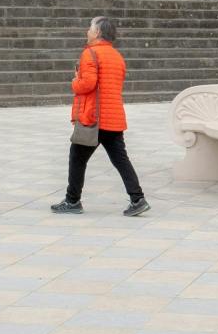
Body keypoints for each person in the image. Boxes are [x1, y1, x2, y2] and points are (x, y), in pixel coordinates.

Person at [53, 16, 149, 217]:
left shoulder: (90, 54)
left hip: (93, 118)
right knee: (121, 160)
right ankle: (137, 199)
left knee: (77, 158)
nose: (87, 32)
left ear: (97, 33)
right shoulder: (117, 56)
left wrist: (74, 82)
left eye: (90, 28)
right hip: (113, 118)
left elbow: (88, 84)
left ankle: (72, 201)